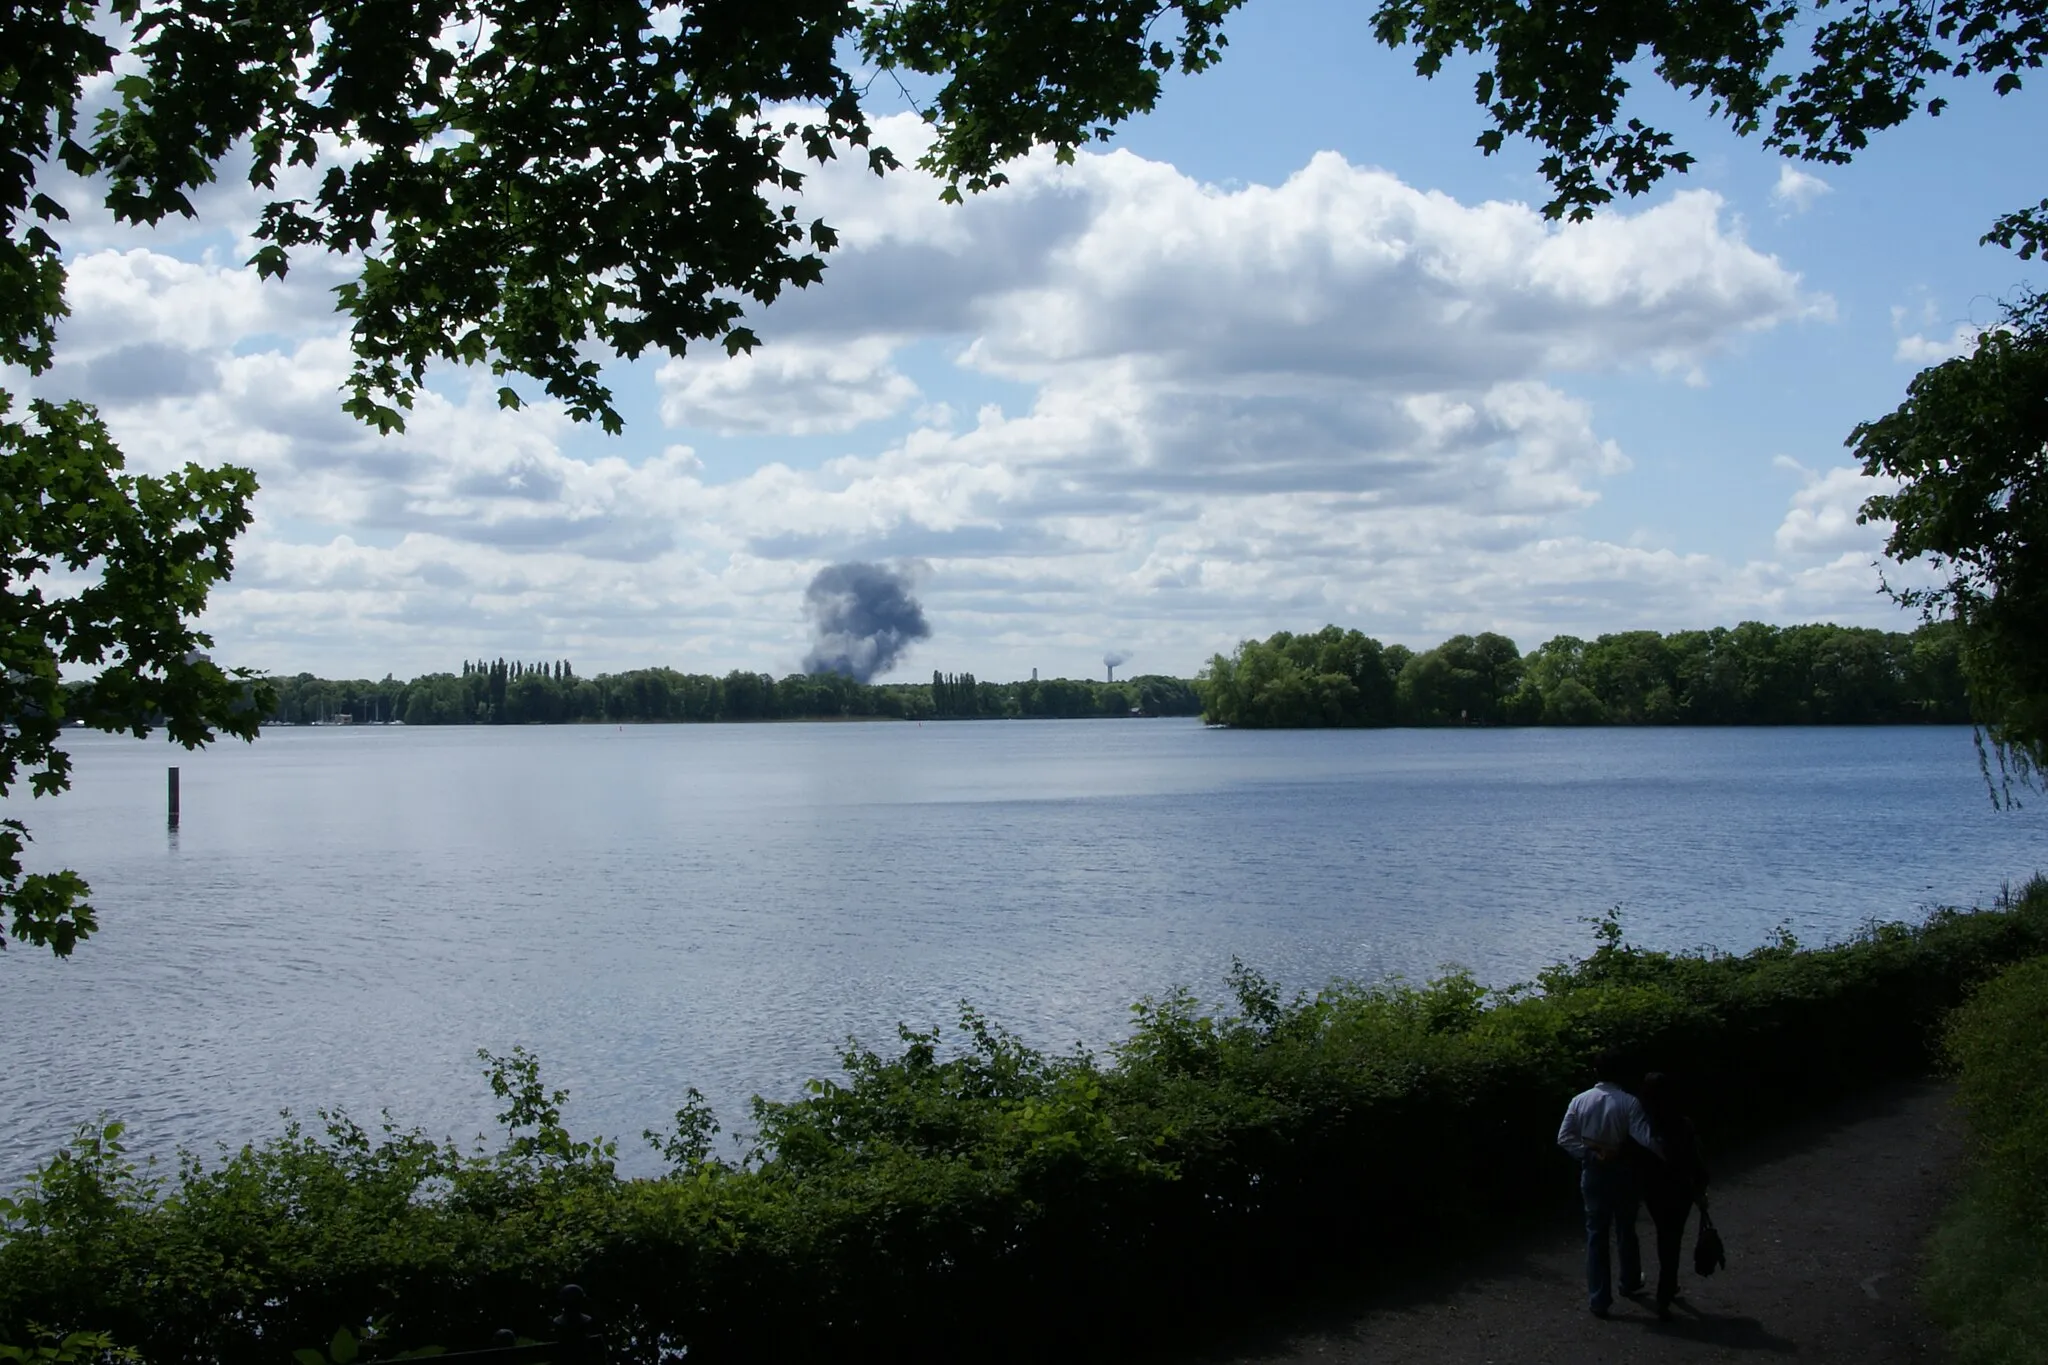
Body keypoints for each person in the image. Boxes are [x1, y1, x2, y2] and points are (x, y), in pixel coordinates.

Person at [1557, 1050, 1663, 1318]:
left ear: (1595, 1073)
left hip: (1593, 1172)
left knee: (1596, 1233)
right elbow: (1646, 1138)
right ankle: (1629, 1281)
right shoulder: (1629, 1103)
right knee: (1626, 1228)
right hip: (1624, 1171)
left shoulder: (1579, 1101)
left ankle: (1599, 1297)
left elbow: (1565, 1138)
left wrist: (1590, 1153)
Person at [1631, 1071, 1710, 1320]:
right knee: (1673, 1236)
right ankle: (1667, 1287)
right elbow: (1695, 1161)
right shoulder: (1682, 1124)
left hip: (1654, 1189)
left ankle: (1667, 1288)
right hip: (1680, 1188)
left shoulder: (1643, 1125)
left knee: (1664, 1235)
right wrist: (1700, 1189)